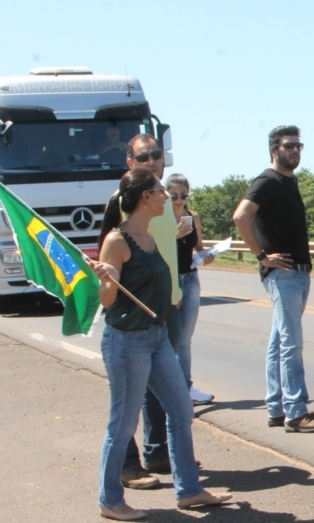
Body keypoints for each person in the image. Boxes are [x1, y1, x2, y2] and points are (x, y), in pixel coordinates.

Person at [91, 169, 230, 521]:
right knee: (122, 424)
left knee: (181, 410)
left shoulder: (151, 235)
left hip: (156, 336)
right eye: (159, 190)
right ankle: (110, 500)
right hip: (127, 342)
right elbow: (107, 301)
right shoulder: (117, 241)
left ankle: (189, 491)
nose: (167, 196)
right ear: (144, 197)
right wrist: (106, 278)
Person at [233, 126, 314, 433]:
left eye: (299, 145)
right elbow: (241, 215)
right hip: (283, 274)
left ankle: (276, 406)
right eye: (289, 146)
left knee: (278, 342)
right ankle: (296, 412)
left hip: (297, 273)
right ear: (274, 150)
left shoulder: (289, 180)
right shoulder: (268, 180)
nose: (295, 150)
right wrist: (262, 256)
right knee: (291, 343)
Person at [115, 134, 184, 489]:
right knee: (130, 394)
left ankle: (158, 453)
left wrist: (175, 292)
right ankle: (127, 466)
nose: (153, 160)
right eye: (144, 156)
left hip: (167, 306)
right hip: (135, 317)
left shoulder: (163, 198)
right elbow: (110, 248)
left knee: (162, 391)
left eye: (157, 154)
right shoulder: (122, 200)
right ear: (131, 162)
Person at [166, 173, 215, 406]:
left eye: (183, 195)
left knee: (185, 340)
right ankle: (170, 390)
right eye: (173, 195)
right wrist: (172, 234)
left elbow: (198, 247)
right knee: (170, 339)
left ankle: (186, 389)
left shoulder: (192, 217)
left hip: (190, 279)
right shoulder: (159, 217)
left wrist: (207, 255)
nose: (178, 200)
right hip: (169, 280)